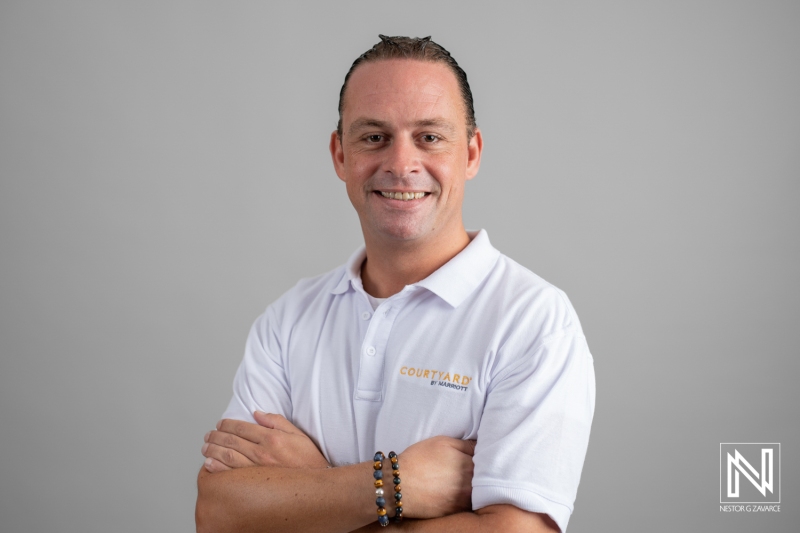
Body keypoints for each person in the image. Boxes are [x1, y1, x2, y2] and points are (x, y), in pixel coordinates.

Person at [196, 35, 595, 533]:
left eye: (429, 137)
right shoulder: (288, 320)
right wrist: (393, 484)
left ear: (470, 153)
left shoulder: (531, 321)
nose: (401, 164)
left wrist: (313, 492)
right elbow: (219, 513)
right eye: (373, 137)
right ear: (340, 155)